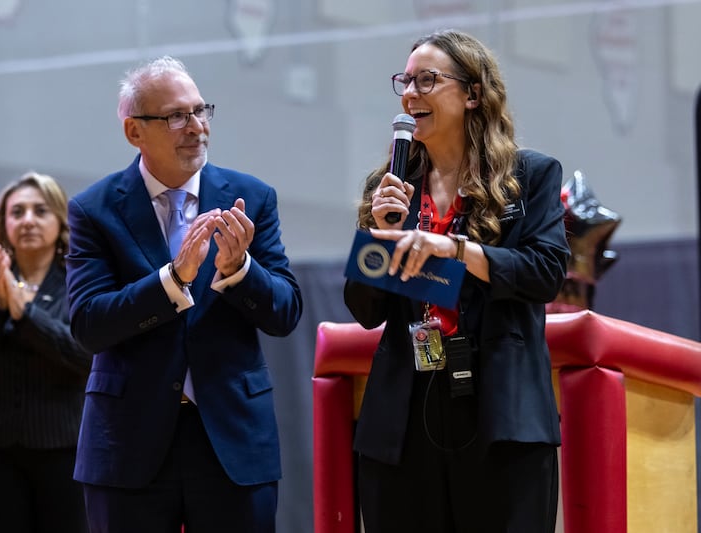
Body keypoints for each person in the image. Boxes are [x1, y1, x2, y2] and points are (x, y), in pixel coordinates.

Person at [344, 29, 570, 532]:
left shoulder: (529, 176)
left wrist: (458, 250)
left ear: (472, 94)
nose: (410, 94)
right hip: (405, 413)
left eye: (427, 80)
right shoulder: (390, 187)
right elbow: (364, 310)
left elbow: (545, 273)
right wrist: (379, 236)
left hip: (501, 412)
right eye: (405, 81)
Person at [65, 56, 303, 533]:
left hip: (233, 439)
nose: (196, 127)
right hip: (128, 443)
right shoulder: (94, 210)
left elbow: (285, 312)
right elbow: (88, 324)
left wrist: (239, 270)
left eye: (200, 110)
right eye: (177, 116)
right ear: (134, 131)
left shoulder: (252, 198)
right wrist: (173, 280)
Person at [0, 172, 91, 533]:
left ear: (60, 221)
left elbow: (85, 357)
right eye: (17, 212)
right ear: (4, 223)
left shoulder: (80, 280)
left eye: (40, 211)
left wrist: (25, 314)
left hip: (64, 446)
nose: (28, 220)